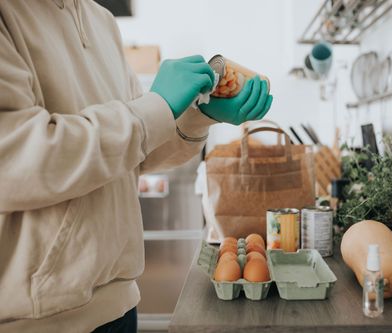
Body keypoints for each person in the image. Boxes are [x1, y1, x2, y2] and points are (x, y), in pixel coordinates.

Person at [0, 1, 272, 332]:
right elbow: (15, 160)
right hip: (41, 322)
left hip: (121, 305)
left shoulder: (100, 19)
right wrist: (154, 108)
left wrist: (199, 116)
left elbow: (136, 150)